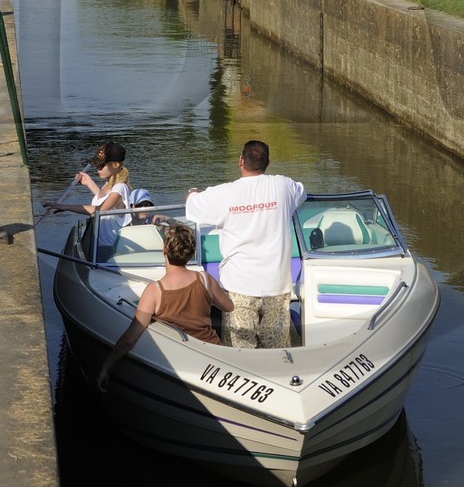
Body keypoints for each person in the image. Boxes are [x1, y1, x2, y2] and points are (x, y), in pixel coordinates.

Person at [184, 140, 306, 348]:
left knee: (240, 348)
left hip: (238, 285)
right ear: (268, 163)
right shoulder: (284, 186)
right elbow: (301, 192)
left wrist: (192, 192)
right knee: (276, 347)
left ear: (241, 161)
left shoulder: (224, 193)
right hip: (276, 283)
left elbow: (193, 206)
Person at [95, 221, 236, 391]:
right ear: (191, 253)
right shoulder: (205, 279)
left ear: (164, 250)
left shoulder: (154, 291)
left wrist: (105, 366)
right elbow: (229, 307)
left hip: (182, 360)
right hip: (214, 352)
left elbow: (130, 338)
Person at [42, 142, 132, 250]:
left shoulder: (120, 188)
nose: (97, 168)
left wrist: (66, 207)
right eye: (97, 165)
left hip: (110, 249)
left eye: (102, 165)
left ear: (116, 165)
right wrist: (88, 182)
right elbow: (101, 199)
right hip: (98, 246)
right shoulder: (108, 185)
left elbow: (100, 210)